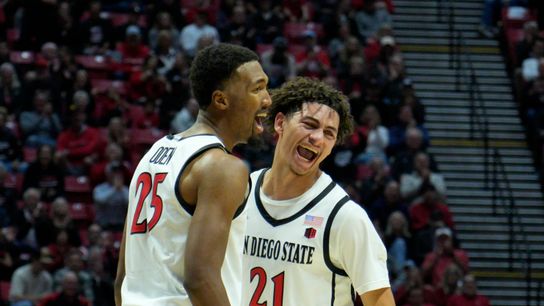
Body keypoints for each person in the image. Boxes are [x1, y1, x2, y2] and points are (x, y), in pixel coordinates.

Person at [114, 43, 271, 306]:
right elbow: (200, 279)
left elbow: (122, 277)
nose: (268, 99)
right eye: (257, 89)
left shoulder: (155, 152)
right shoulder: (223, 167)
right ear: (221, 100)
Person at [242, 77, 394, 305]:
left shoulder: (344, 217)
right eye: (310, 125)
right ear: (280, 123)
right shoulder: (240, 194)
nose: (317, 138)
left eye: (329, 133)